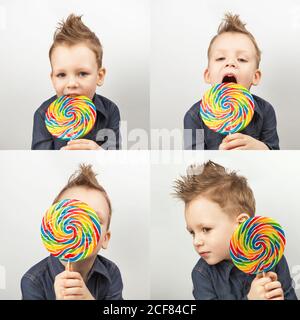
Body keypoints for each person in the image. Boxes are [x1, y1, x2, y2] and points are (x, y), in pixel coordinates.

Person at [173, 161, 297, 299]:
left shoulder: (271, 256)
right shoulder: (202, 275)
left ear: (241, 223)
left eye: (206, 229)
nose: (196, 241)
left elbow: (289, 294)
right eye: (192, 232)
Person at [21, 164, 123, 300]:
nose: (80, 224)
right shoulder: (33, 281)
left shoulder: (111, 273)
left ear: (105, 238)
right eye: (71, 215)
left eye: (95, 219)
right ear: (52, 225)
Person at [184, 13, 279, 150]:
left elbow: (277, 155)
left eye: (242, 59)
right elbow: (193, 162)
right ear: (208, 75)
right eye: (221, 58)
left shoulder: (266, 111)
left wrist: (261, 149)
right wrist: (217, 157)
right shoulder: (193, 116)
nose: (230, 63)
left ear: (255, 76)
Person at [32, 14, 121, 150]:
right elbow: (39, 163)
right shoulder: (43, 115)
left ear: (100, 76)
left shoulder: (111, 111)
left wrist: (101, 153)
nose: (72, 83)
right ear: (53, 79)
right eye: (61, 75)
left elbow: (115, 160)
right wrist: (56, 158)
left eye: (82, 73)